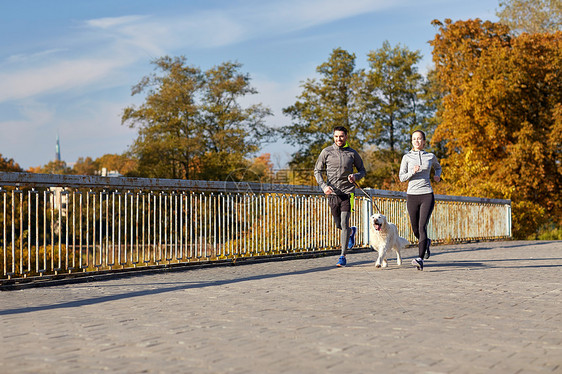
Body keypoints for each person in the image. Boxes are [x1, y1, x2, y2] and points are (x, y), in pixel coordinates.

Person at [314, 126, 366, 267]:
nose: (339, 139)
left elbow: (362, 170)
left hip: (347, 192)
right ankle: (351, 232)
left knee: (343, 223)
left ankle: (342, 256)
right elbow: (317, 171)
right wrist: (324, 186)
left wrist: (355, 176)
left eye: (341, 136)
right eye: (336, 136)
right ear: (333, 137)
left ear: (346, 137)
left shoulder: (352, 153)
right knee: (338, 224)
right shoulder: (326, 152)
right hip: (332, 193)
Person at [399, 130, 442, 271]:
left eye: (419, 139)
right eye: (414, 139)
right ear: (411, 141)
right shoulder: (406, 157)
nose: (417, 141)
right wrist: (413, 172)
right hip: (412, 195)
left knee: (422, 226)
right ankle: (426, 243)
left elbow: (438, 167)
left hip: (427, 195)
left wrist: (437, 175)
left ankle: (420, 258)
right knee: (415, 229)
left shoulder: (430, 156)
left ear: (424, 141)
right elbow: (401, 177)